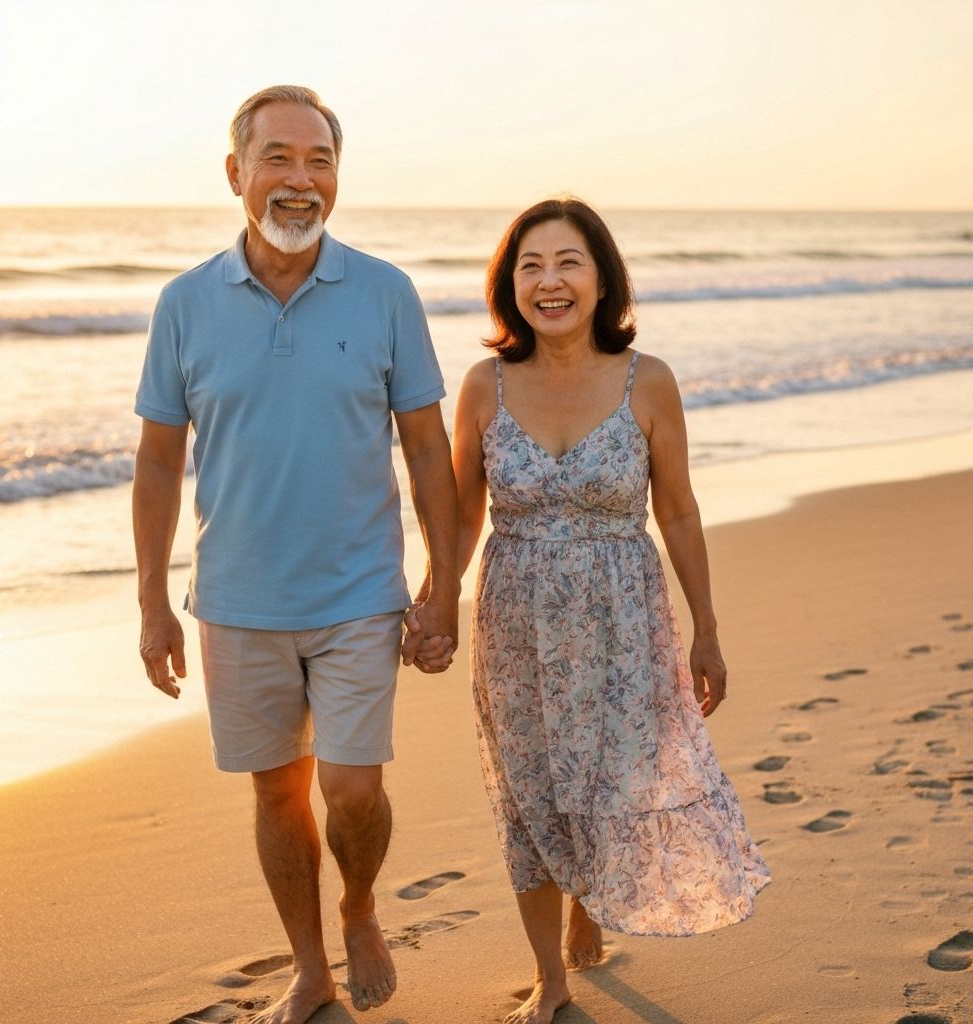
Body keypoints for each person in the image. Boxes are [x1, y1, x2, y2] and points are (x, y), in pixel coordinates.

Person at [132, 85, 458, 1024]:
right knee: (278, 796)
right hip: (234, 601)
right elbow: (158, 463)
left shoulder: (386, 292)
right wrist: (154, 603)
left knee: (353, 792)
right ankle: (310, 966)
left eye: (319, 161)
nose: (300, 180)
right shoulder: (185, 304)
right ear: (235, 173)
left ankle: (359, 907)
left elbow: (427, 446)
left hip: (359, 594)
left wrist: (441, 583)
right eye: (278, 158)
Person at [441, 198, 771, 1024]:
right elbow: (459, 511)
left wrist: (709, 629)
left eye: (567, 263)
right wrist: (433, 600)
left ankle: (589, 897)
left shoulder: (646, 379)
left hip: (623, 616)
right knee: (530, 789)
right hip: (514, 619)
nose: (548, 282)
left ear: (601, 279)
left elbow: (680, 510)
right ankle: (549, 979)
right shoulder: (483, 384)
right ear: (508, 285)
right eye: (530, 266)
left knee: (615, 774)